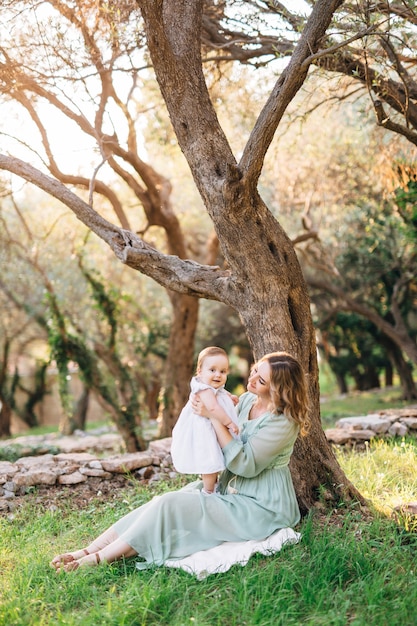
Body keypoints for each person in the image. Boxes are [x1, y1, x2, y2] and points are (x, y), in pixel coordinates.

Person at [50, 351, 310, 573]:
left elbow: (245, 465)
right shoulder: (245, 401)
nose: (251, 379)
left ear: (277, 389)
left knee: (170, 504)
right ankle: (89, 549)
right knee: (160, 503)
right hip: (230, 488)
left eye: (261, 379)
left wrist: (213, 418)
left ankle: (95, 561)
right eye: (254, 371)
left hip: (262, 507)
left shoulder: (283, 422)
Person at [170, 346, 239, 494]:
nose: (218, 375)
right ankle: (208, 491)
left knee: (216, 458)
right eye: (212, 370)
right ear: (200, 371)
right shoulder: (203, 389)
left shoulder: (210, 386)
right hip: (205, 431)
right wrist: (229, 422)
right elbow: (213, 408)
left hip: (211, 428)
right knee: (210, 460)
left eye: (223, 371)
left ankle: (215, 486)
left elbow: (220, 392)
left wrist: (229, 396)